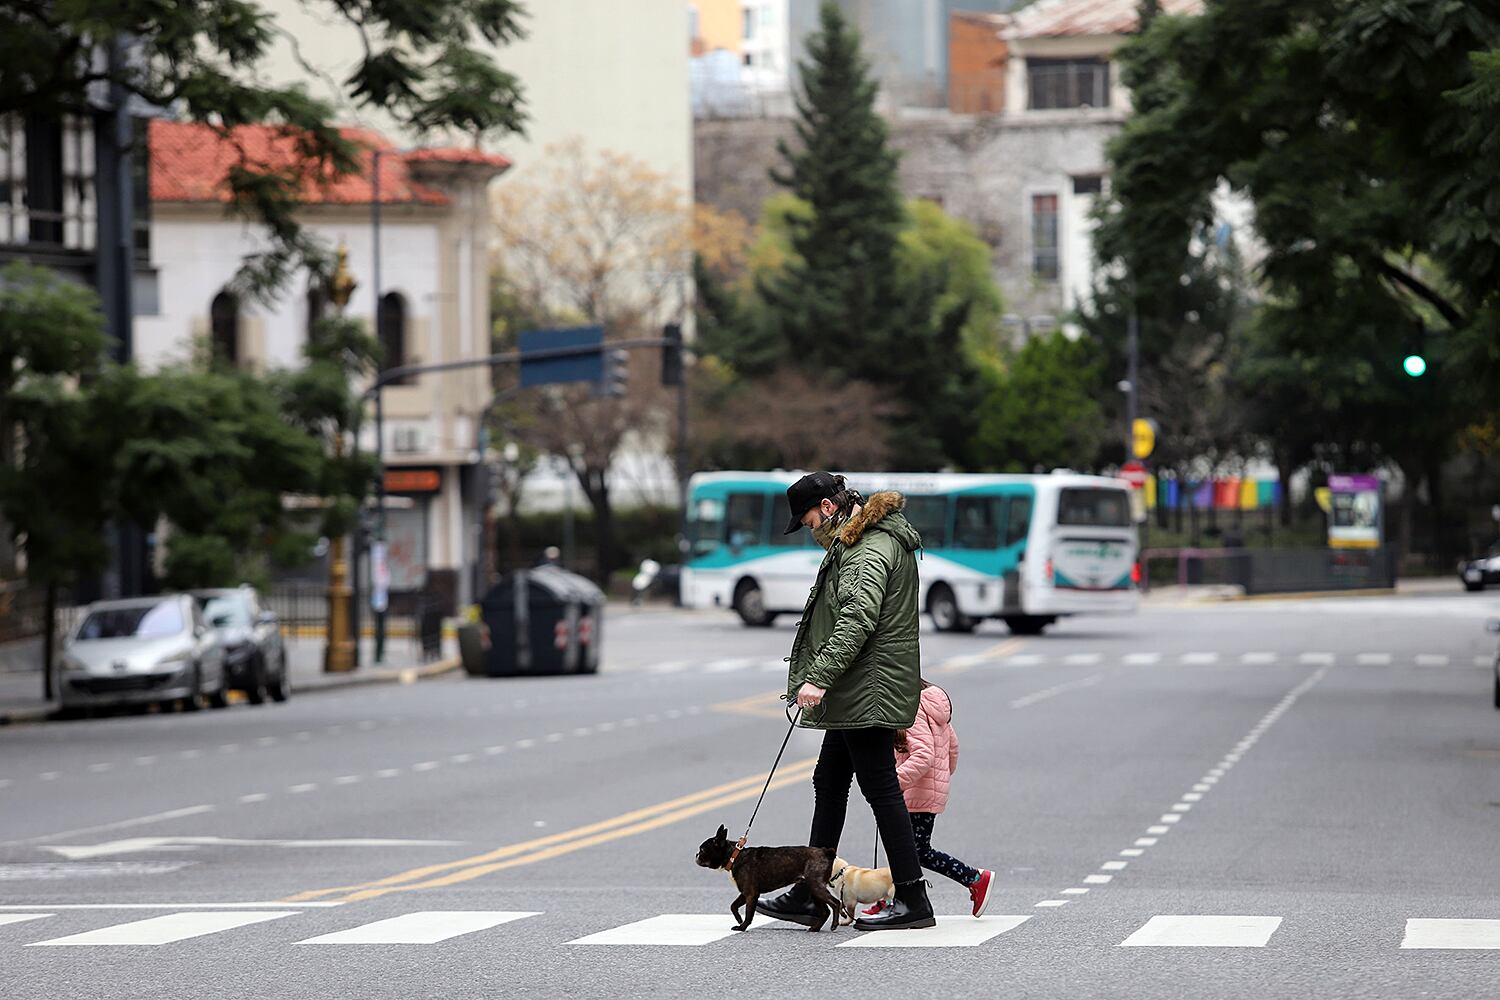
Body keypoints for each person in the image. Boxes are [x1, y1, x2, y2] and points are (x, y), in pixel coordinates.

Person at [758, 471, 935, 931]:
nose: (810, 529)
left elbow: (858, 618)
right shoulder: (857, 542)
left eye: (809, 520)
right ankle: (810, 893)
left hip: (866, 687)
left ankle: (913, 899)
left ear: (829, 508)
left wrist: (819, 677)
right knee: (830, 781)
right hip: (857, 685)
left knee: (880, 788)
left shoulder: (867, 550)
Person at [863, 681, 995, 918]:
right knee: (904, 848)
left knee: (915, 850)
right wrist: (940, 780)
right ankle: (891, 898)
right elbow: (952, 748)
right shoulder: (933, 706)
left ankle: (974, 878)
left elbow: (923, 755)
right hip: (926, 789)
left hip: (915, 791)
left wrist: (893, 783)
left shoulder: (911, 709)